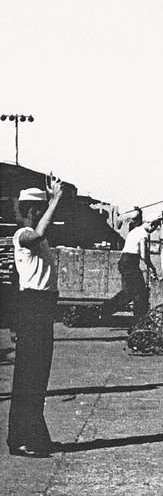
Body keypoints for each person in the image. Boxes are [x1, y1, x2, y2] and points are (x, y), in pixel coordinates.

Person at [7, 176, 64, 457]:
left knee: (36, 376)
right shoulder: (23, 236)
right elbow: (38, 233)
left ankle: (29, 435)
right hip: (33, 308)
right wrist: (54, 200)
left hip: (41, 308)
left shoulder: (38, 236)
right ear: (32, 212)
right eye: (39, 211)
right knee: (30, 376)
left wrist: (53, 198)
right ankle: (23, 439)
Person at [109, 210, 159, 322]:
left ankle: (105, 309)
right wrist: (152, 267)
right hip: (130, 262)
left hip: (125, 261)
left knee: (131, 292)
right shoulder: (143, 234)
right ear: (152, 224)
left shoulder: (135, 231)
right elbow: (143, 255)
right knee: (139, 293)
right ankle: (139, 320)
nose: (153, 231)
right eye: (154, 228)